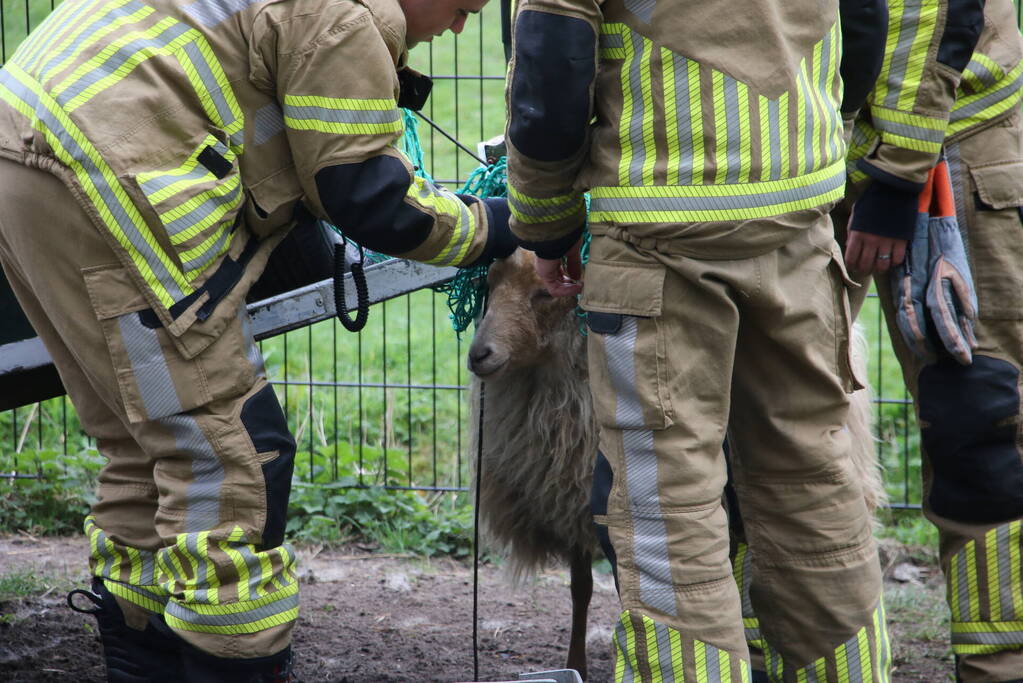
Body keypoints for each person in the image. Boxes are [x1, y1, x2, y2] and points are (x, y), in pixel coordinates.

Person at [0, 0, 513, 680]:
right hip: (107, 169)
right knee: (230, 450)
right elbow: (370, 198)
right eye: (460, 7)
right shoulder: (350, 16)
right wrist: (505, 225)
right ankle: (235, 661)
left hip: (25, 144)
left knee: (143, 440)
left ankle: (144, 659)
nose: (458, 26)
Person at [505, 0, 892, 680]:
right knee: (814, 479)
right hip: (796, 213)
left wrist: (545, 220)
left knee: (667, 504)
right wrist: (822, 134)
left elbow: (553, 55)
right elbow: (863, 19)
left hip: (659, 228)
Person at [834, 1, 1023, 680]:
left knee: (977, 415)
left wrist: (894, 177)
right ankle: (773, 651)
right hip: (789, 154)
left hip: (952, 139)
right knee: (762, 415)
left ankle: (999, 664)